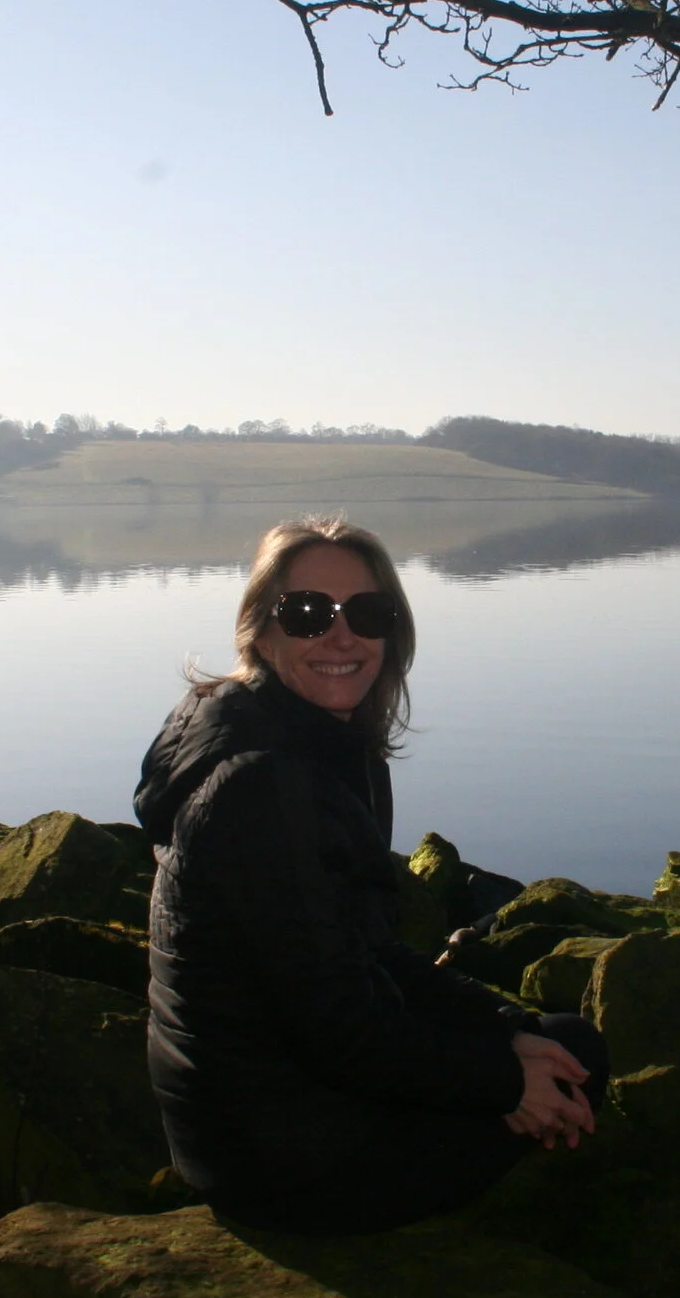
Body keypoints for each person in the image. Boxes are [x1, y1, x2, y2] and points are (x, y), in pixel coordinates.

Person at [137, 516, 606, 1235]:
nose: (341, 636)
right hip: (284, 1159)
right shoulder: (263, 788)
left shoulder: (292, 737)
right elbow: (339, 1030)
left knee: (554, 1044)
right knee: (576, 1061)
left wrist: (504, 1029)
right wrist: (505, 1083)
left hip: (261, 1107)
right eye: (307, 613)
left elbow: (365, 951)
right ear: (260, 631)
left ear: (393, 632)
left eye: (367, 613)